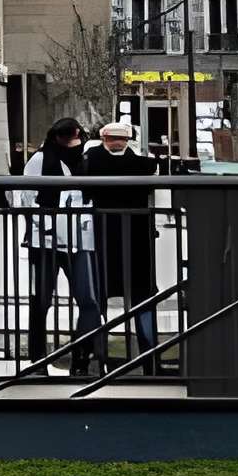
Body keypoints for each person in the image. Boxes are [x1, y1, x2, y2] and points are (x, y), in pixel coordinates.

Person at [17, 117, 106, 374]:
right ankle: (38, 360)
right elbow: (25, 195)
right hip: (44, 240)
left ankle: (82, 358)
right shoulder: (41, 160)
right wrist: (39, 222)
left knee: (89, 300)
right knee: (40, 301)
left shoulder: (88, 159)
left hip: (80, 237)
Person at [76, 120, 161, 364]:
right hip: (132, 234)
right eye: (113, 138)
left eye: (119, 138)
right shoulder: (142, 165)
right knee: (136, 294)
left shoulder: (91, 160)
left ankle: (95, 354)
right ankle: (147, 354)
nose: (116, 143)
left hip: (109, 234)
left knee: (106, 293)